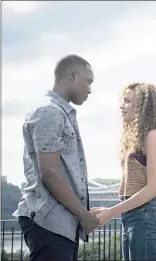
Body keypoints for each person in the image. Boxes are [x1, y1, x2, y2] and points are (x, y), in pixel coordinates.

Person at [13, 54, 100, 261]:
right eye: (88, 81)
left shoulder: (60, 113)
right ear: (72, 76)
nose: (90, 89)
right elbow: (50, 174)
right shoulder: (49, 112)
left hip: (62, 223)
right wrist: (84, 214)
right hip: (49, 221)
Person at [90, 82, 156, 260]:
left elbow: (153, 188)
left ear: (143, 106)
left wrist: (111, 212)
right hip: (132, 216)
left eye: (127, 101)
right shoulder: (134, 140)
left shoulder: (153, 135)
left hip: (146, 216)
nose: (122, 106)